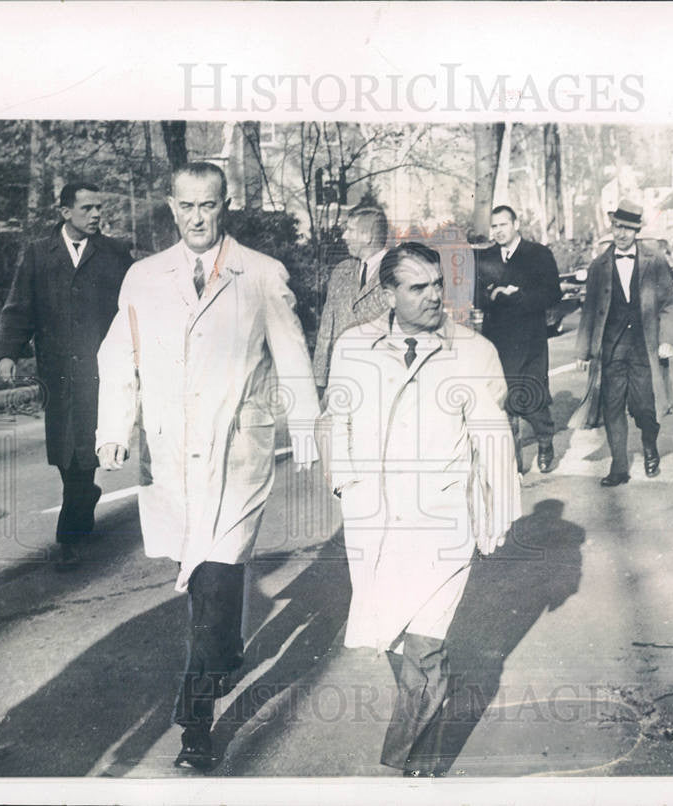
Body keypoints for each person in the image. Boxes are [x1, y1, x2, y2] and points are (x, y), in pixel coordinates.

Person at [94, 162, 320, 770]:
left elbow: (291, 352)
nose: (198, 218)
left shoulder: (261, 274)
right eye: (187, 206)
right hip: (170, 453)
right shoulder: (143, 278)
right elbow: (120, 357)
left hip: (238, 450)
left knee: (216, 575)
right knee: (203, 585)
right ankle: (221, 657)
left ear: (226, 205)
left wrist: (305, 425)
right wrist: (114, 429)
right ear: (171, 206)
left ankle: (194, 724)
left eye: (209, 206)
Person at [325, 242, 521, 776]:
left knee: (425, 649)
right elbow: (335, 419)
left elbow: (494, 441)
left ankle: (416, 768)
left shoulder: (475, 352)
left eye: (438, 284)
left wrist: (493, 515)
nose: (435, 296)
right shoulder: (353, 347)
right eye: (418, 288)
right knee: (392, 639)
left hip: (443, 524)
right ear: (388, 294)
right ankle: (423, 733)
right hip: (375, 523)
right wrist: (345, 485)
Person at [0, 182, 133, 571]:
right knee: (64, 453)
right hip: (56, 374)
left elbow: (135, 307)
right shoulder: (39, 255)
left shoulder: (115, 253)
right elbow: (19, 309)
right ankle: (84, 496)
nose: (95, 215)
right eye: (87, 208)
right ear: (65, 211)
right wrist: (7, 354)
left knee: (85, 448)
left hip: (101, 371)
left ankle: (68, 539)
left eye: (99, 208)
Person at [574, 199, 673, 486]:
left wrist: (667, 340)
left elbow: (668, 304)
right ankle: (619, 466)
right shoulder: (599, 266)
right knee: (612, 405)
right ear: (612, 226)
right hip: (610, 347)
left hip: (644, 345)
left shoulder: (655, 262)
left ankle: (649, 445)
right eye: (618, 227)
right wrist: (583, 350)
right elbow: (590, 311)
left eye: (628, 229)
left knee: (645, 406)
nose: (621, 234)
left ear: (636, 231)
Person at [475, 205, 561, 473]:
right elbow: (474, 295)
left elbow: (552, 294)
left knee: (530, 396)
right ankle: (511, 462)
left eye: (503, 225)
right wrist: (492, 296)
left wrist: (519, 295)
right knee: (502, 400)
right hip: (497, 338)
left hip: (529, 338)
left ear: (515, 224)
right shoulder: (486, 257)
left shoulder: (538, 254)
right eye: (494, 226)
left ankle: (545, 440)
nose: (498, 231)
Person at [311, 206, 390, 395]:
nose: (344, 236)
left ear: (367, 236)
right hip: (341, 382)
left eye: (350, 230)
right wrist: (320, 382)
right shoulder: (341, 271)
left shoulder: (397, 273)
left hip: (381, 385)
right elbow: (326, 329)